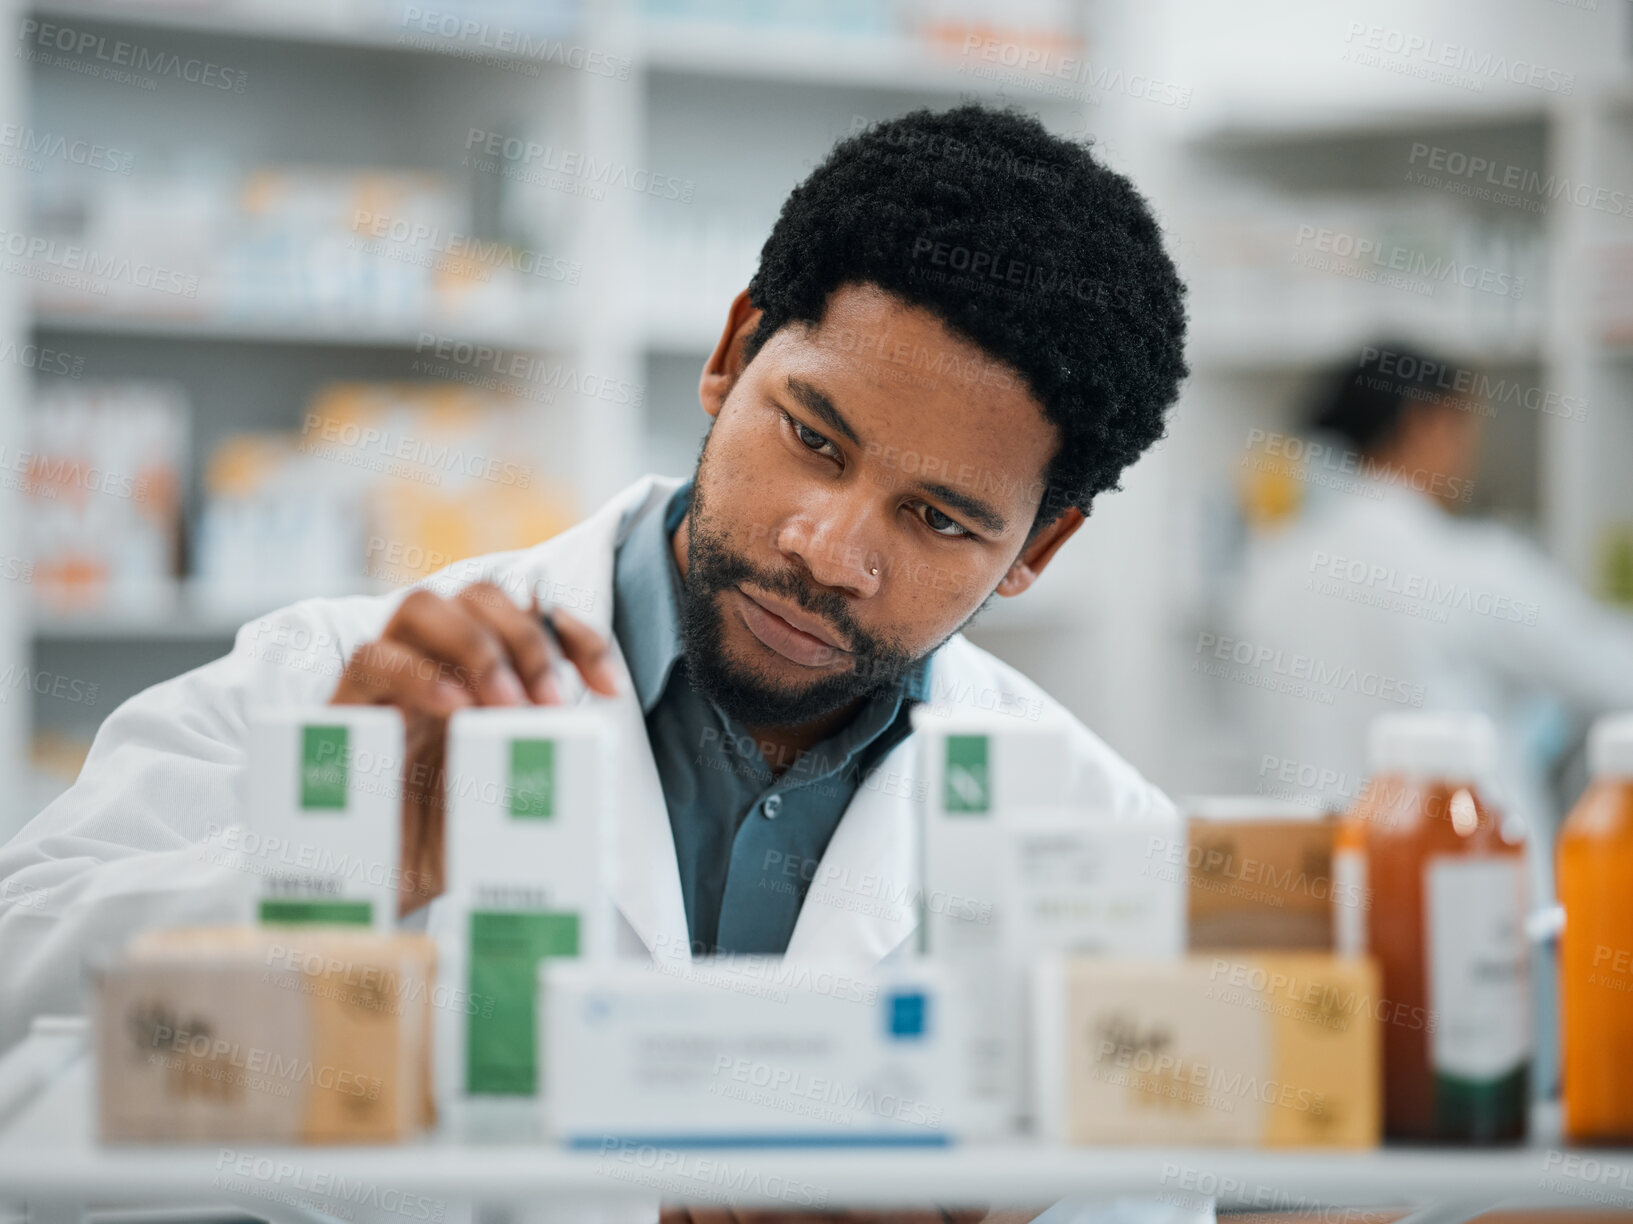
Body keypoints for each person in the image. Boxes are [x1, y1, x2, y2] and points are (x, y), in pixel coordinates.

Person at [0, 103, 1187, 1220]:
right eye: (813, 439)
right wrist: (325, 855)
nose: (829, 551)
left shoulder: (1102, 841)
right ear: (732, 353)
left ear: (1037, 547)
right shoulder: (344, 683)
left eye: (936, 520)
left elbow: (1149, 1195)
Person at [1233, 342, 1633, 831]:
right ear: (1427, 423)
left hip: (1315, 876)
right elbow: (1612, 671)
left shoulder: (1273, 571)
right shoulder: (1470, 566)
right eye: (1465, 425)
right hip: (1465, 877)